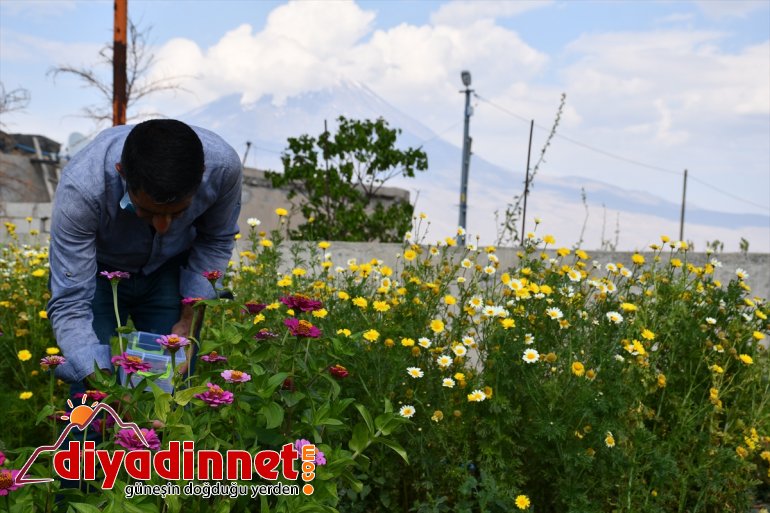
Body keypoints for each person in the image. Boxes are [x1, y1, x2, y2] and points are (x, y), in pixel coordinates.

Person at [47, 119, 242, 387]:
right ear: (121, 173)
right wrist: (106, 388)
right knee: (93, 389)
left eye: (179, 212)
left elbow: (215, 240)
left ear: (202, 175)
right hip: (97, 271)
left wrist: (189, 320)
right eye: (146, 211)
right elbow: (71, 301)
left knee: (171, 384)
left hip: (169, 266)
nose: (163, 227)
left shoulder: (223, 170)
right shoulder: (83, 187)